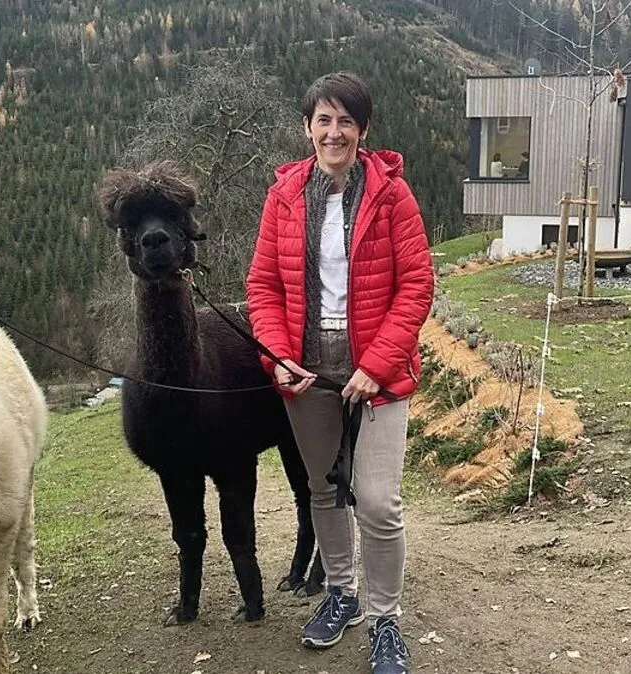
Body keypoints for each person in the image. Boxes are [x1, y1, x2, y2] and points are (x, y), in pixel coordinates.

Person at [245, 71, 434, 674]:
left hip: (377, 371)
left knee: (377, 503)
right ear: (307, 128)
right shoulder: (283, 197)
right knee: (324, 488)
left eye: (345, 121)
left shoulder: (391, 195)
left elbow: (417, 285)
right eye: (323, 120)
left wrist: (376, 366)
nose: (334, 132)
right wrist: (278, 357)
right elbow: (263, 286)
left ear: (363, 129)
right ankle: (342, 593)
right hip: (308, 368)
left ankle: (385, 620)